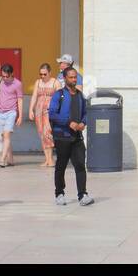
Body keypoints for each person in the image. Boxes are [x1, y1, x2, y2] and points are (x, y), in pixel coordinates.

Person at [48, 67, 94, 206]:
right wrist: (69, 123)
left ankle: (82, 195)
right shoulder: (59, 95)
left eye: (75, 77)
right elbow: (52, 114)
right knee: (61, 166)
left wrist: (83, 123)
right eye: (71, 77)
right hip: (62, 136)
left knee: (80, 165)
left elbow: (85, 112)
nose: (74, 80)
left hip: (77, 137)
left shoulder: (80, 95)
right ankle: (59, 194)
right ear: (65, 78)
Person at [0, 63, 23, 168]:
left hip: (11, 112)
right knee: (4, 136)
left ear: (12, 74)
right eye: (3, 76)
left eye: (7, 76)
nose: (5, 78)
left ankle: (2, 159)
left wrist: (20, 116)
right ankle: (10, 159)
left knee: (6, 135)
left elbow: (20, 99)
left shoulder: (17, 84)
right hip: (0, 112)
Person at [29, 63, 57, 168]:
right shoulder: (38, 82)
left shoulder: (55, 82)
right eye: (41, 74)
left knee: (47, 133)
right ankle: (47, 159)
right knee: (41, 134)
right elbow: (34, 96)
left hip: (49, 112)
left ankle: (51, 160)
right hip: (39, 111)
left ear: (50, 73)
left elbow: (60, 97)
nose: (42, 76)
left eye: (45, 74)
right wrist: (31, 109)